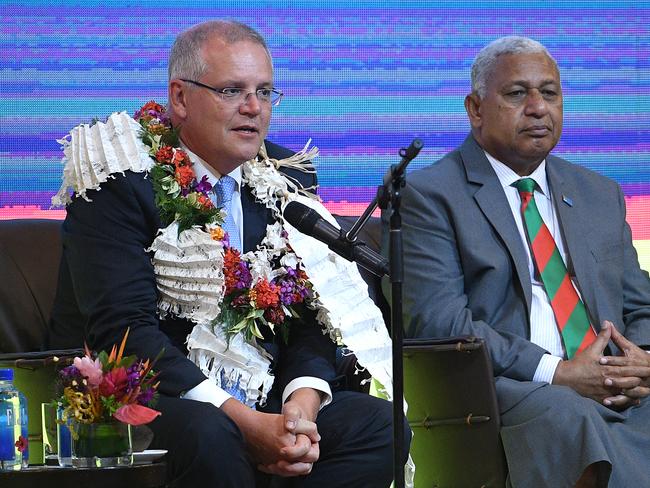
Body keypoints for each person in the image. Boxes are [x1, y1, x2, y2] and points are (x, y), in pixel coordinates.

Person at [49, 20, 407, 487]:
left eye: (265, 92)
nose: (253, 108)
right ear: (180, 98)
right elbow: (126, 333)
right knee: (212, 433)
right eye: (232, 90)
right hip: (146, 393)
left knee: (381, 427)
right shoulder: (117, 177)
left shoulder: (284, 181)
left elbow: (312, 317)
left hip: (262, 390)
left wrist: (299, 406)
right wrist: (244, 421)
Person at [393, 36, 650, 487]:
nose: (537, 108)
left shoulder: (598, 192)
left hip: (612, 381)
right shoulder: (432, 195)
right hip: (507, 386)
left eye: (549, 93)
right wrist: (559, 372)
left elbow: (640, 304)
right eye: (517, 94)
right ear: (475, 109)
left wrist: (641, 362)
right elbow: (439, 320)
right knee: (568, 416)